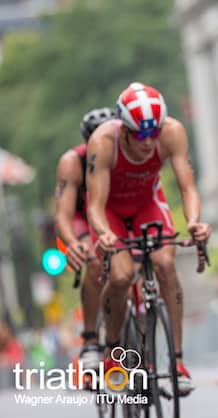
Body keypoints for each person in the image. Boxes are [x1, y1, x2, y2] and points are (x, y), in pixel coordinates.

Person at [86, 82, 211, 395]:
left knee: (166, 265)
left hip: (146, 204)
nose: (148, 141)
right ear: (124, 129)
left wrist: (194, 222)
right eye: (141, 135)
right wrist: (104, 234)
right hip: (111, 212)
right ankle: (113, 352)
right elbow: (95, 206)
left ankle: (177, 362)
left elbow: (188, 189)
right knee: (121, 275)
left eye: (153, 133)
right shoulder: (103, 142)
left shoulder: (172, 133)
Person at [54, 107, 116, 370]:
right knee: (93, 259)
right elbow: (62, 215)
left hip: (114, 213)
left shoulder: (127, 155)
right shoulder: (72, 163)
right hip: (83, 217)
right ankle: (90, 338)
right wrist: (74, 243)